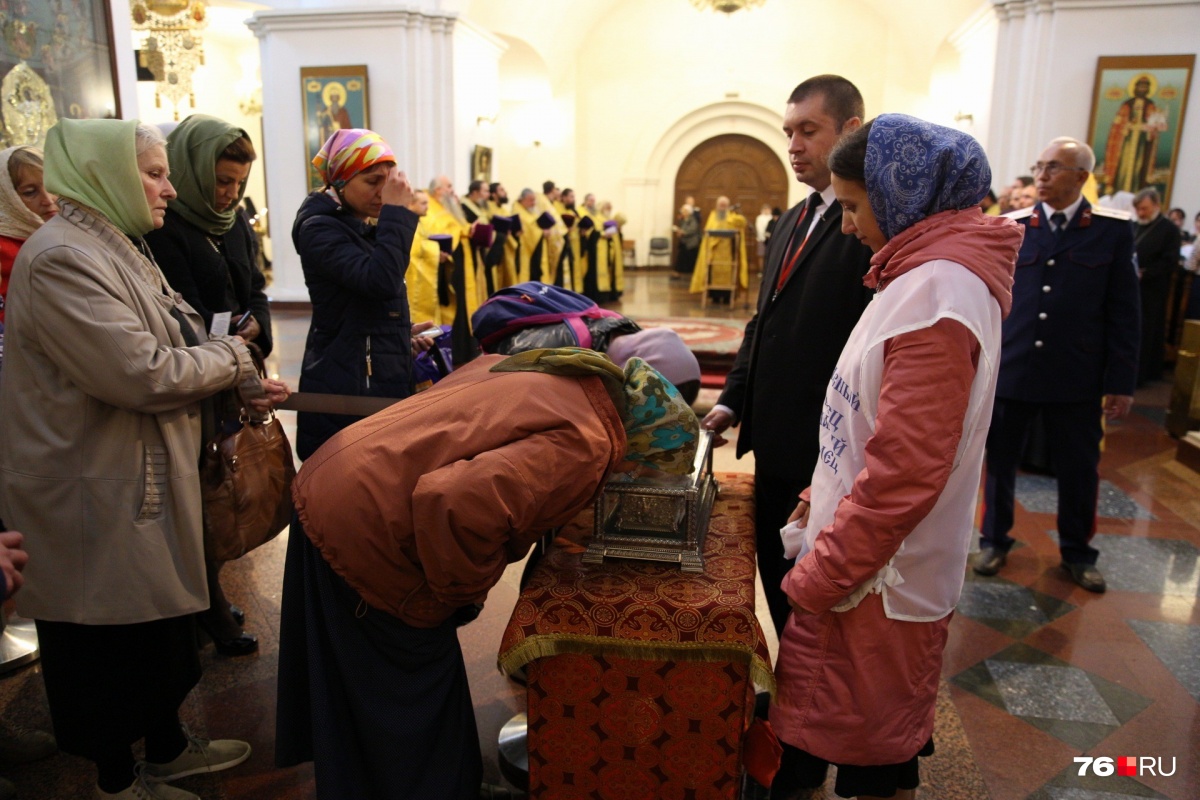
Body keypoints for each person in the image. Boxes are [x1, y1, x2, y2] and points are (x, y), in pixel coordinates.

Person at [0, 118, 289, 800]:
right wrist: (233, 358)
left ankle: (163, 750)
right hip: (91, 489)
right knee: (102, 654)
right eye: (155, 174)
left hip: (133, 475)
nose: (168, 187)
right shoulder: (62, 256)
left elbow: (181, 328)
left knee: (154, 640)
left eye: (165, 172)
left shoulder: (116, 244)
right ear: (107, 175)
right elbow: (141, 371)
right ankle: (116, 781)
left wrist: (236, 375)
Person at [276, 348, 699, 799]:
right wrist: (460, 593)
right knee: (406, 680)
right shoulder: (589, 443)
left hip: (344, 478)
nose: (627, 479)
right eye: (638, 470)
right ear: (641, 443)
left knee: (364, 676)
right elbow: (455, 500)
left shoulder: (569, 378)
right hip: (367, 525)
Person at [771, 113, 1020, 800]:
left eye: (852, 205)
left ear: (901, 194)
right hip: (860, 557)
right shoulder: (920, 276)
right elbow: (874, 414)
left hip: (877, 579)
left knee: (871, 759)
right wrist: (820, 494)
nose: (846, 226)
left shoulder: (940, 296)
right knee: (848, 736)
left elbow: (906, 474)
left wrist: (817, 575)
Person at [701, 74, 874, 636]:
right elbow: (763, 321)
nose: (794, 146)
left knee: (820, 594)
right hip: (773, 439)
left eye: (808, 130)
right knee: (779, 579)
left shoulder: (867, 224)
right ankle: (791, 701)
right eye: (788, 132)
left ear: (850, 130)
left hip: (829, 447)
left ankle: (810, 712)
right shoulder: (792, 219)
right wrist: (732, 400)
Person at [976, 136, 1140, 593]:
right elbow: (990, 301)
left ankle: (1077, 553)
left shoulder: (1110, 230)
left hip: (1077, 375)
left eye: (1054, 168)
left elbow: (1125, 312)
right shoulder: (1011, 224)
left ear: (1082, 178)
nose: (1042, 176)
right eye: (1040, 165)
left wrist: (1120, 381)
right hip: (1016, 367)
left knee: (1079, 468)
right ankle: (993, 540)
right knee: (999, 463)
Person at [144, 114, 274, 658]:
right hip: (196, 373)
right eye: (221, 181)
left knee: (223, 483)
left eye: (240, 183)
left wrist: (257, 329)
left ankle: (208, 594)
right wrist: (227, 337)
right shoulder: (165, 227)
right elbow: (177, 312)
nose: (229, 193)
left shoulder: (234, 221)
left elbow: (257, 286)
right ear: (194, 171)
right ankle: (208, 606)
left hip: (234, 365)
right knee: (200, 491)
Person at [293, 128, 432, 460]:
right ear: (341, 181)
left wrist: (397, 336)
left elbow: (365, 302)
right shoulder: (318, 228)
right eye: (372, 182)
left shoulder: (359, 224)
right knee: (345, 482)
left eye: (387, 180)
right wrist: (399, 213)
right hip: (346, 383)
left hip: (368, 372)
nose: (382, 192)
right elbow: (380, 280)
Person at [0, 146, 57, 323]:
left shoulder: (75, 229)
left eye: (52, 186)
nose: (48, 200)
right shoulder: (4, 248)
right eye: (30, 192)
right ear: (8, 198)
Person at [1132, 187, 1181, 384]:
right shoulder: (1135, 226)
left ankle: (1142, 375)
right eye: (1138, 209)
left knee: (1147, 330)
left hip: (1152, 288)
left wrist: (1147, 272)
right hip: (1133, 285)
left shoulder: (1168, 229)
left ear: (1156, 206)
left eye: (1144, 209)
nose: (1141, 213)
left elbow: (1170, 260)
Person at [1102, 74, 1165, 195]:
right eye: (1140, 86)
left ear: (1148, 89)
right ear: (1135, 88)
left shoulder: (1150, 105)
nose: (1142, 89)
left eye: (1145, 87)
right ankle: (1117, 190)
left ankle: (1137, 192)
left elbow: (1153, 125)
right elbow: (1117, 125)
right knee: (1123, 167)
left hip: (1141, 143)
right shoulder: (1127, 104)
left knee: (1139, 167)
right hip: (1126, 141)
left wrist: (1149, 129)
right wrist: (1126, 126)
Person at [688, 196, 748, 302]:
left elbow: (742, 222)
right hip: (714, 252)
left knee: (728, 274)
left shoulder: (732, 216)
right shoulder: (713, 215)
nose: (722, 207)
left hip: (728, 253)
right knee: (713, 275)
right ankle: (715, 296)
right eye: (721, 205)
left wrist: (731, 219)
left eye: (724, 205)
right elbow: (709, 230)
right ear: (717, 206)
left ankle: (727, 297)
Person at [673, 202, 701, 278]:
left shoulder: (693, 220)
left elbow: (692, 229)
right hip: (684, 242)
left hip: (692, 243)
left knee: (692, 259)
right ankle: (677, 272)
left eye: (685, 211)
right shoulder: (683, 219)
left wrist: (682, 232)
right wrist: (679, 232)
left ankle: (692, 274)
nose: (683, 212)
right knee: (681, 258)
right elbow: (683, 228)